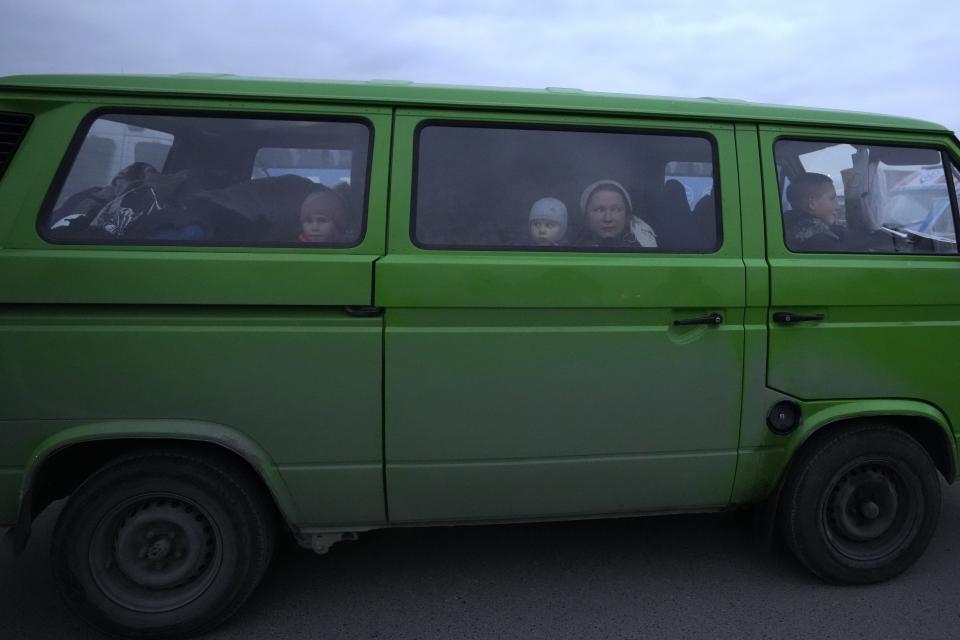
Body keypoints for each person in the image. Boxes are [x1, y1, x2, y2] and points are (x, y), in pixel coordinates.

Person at [579, 179, 657, 247]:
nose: (608, 218)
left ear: (627, 216)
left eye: (616, 209)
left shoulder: (644, 249)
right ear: (586, 216)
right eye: (599, 210)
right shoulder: (571, 250)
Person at [784, 172, 844, 251]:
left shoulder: (785, 224)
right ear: (812, 202)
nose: (838, 206)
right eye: (832, 198)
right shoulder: (823, 243)